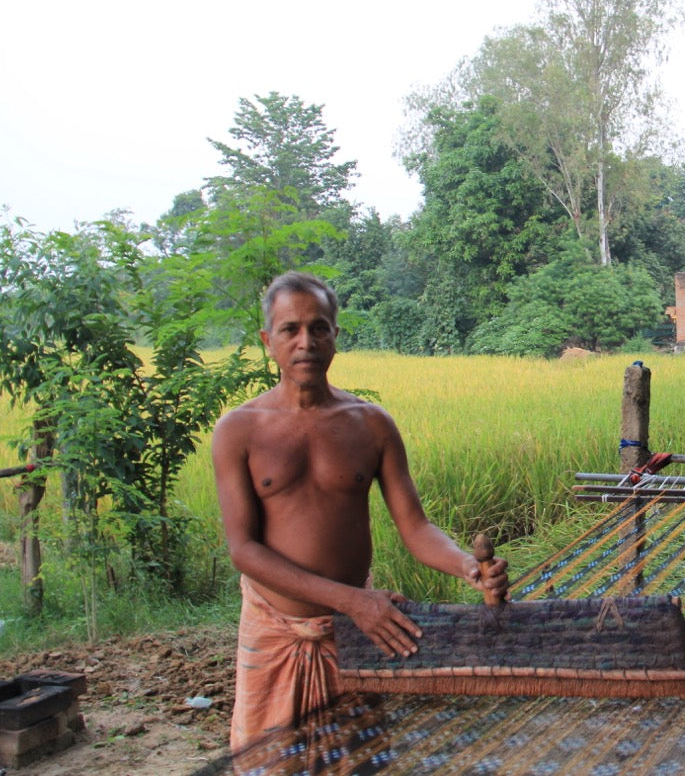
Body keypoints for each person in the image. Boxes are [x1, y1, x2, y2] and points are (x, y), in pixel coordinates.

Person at [212, 271, 509, 752]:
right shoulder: (238, 431)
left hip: (353, 630)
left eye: (319, 328)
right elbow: (244, 550)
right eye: (290, 329)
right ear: (268, 341)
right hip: (275, 630)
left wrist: (466, 567)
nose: (305, 341)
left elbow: (415, 527)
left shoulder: (370, 424)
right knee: (267, 759)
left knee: (355, 756)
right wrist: (352, 601)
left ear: (335, 336)